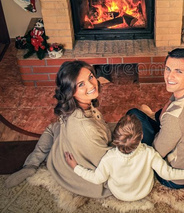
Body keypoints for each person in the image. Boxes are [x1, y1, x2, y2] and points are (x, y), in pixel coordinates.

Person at [6, 61, 112, 198]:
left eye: (91, 77)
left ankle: (31, 164)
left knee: (53, 128)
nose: (91, 85)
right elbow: (107, 161)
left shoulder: (72, 108)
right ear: (70, 91)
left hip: (62, 152)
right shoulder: (86, 128)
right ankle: (30, 167)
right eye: (81, 84)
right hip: (88, 180)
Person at [127, 48, 184, 189]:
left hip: (178, 178)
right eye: (168, 69)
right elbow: (171, 104)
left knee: (133, 115)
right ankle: (157, 119)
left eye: (179, 71)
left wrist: (165, 120)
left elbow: (156, 153)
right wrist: (164, 116)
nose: (169, 76)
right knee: (160, 116)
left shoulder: (174, 118)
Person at [65, 114, 184, 202]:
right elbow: (167, 173)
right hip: (144, 191)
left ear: (115, 137)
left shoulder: (109, 158)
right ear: (141, 137)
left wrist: (75, 167)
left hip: (119, 194)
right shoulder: (149, 153)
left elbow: (97, 178)